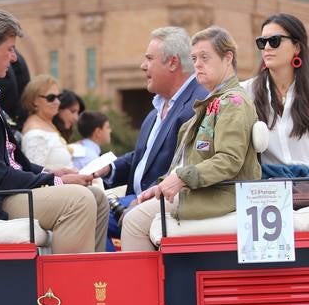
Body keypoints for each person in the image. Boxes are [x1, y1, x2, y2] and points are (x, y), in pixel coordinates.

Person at [0, 6, 109, 254]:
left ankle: (93, 282)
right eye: (10, 49)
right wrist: (55, 180)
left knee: (96, 198)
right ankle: (62, 291)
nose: (14, 58)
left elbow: (12, 161)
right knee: (77, 201)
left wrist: (50, 171)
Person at [120, 26, 260, 251]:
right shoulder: (212, 102)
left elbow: (229, 160)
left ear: (228, 58)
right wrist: (159, 186)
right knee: (134, 211)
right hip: (202, 191)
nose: (197, 65)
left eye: (205, 57)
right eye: (194, 58)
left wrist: (180, 179)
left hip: (220, 195)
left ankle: (145, 287)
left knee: (134, 222)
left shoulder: (233, 102)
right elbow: (186, 160)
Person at [96, 26, 207, 238]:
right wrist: (106, 169)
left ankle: (107, 273)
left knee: (90, 215)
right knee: (90, 206)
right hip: (137, 199)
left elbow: (187, 166)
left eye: (149, 58)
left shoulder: (198, 104)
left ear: (173, 62)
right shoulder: (158, 108)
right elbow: (143, 157)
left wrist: (142, 200)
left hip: (161, 201)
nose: (142, 66)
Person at [240, 13, 309, 177]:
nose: (267, 48)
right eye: (262, 42)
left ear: (297, 47)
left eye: (275, 40)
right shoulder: (244, 93)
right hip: (268, 192)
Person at [20, 75, 75, 172]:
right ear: (34, 101)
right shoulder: (35, 132)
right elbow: (36, 174)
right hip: (58, 186)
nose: (57, 102)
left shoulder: (47, 123)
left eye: (59, 97)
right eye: (51, 98)